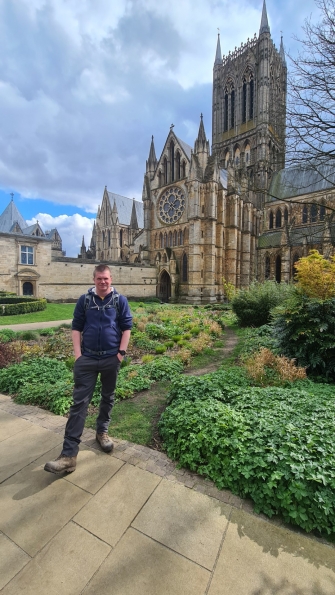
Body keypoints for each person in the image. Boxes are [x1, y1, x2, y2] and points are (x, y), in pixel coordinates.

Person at [44, 264, 132, 474]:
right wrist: (78, 356)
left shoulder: (120, 301)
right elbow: (76, 327)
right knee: (79, 405)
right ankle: (68, 455)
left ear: (111, 279)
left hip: (111, 358)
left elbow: (127, 326)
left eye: (106, 279)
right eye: (99, 279)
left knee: (108, 397)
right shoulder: (85, 300)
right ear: (94, 280)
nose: (103, 282)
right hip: (88, 359)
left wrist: (121, 353)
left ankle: (102, 432)